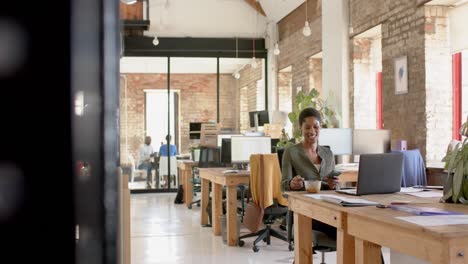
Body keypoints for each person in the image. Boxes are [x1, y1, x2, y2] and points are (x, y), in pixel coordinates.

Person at [281, 107, 337, 240]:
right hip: (305, 210)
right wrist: (292, 184)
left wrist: (333, 185)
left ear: (320, 127)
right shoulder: (291, 152)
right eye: (307, 127)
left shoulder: (328, 154)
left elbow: (334, 188)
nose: (312, 131)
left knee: (361, 231)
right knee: (349, 229)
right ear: (300, 127)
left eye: (316, 127)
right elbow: (283, 187)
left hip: (329, 208)